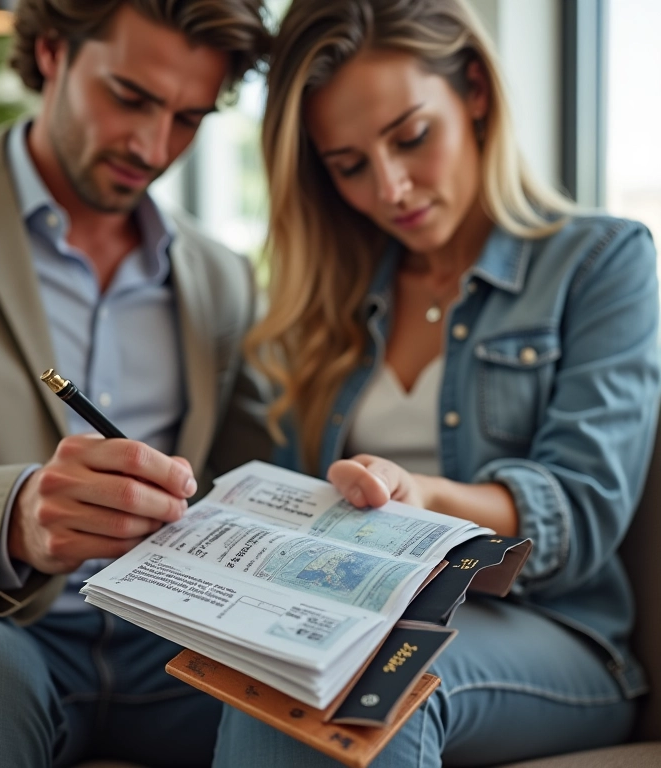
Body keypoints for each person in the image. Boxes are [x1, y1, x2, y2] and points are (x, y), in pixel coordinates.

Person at [212, 0, 660, 766]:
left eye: (412, 137)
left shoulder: (600, 263)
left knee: (362, 683)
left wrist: (427, 503)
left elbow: (582, 511)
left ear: (476, 91)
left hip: (551, 630)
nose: (391, 188)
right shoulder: (330, 299)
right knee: (280, 672)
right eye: (350, 165)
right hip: (353, 610)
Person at [0, 1, 271, 766]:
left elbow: (252, 479)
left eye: (188, 118)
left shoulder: (223, 280)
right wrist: (13, 521)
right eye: (129, 96)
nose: (153, 145)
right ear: (54, 52)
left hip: (170, 637)